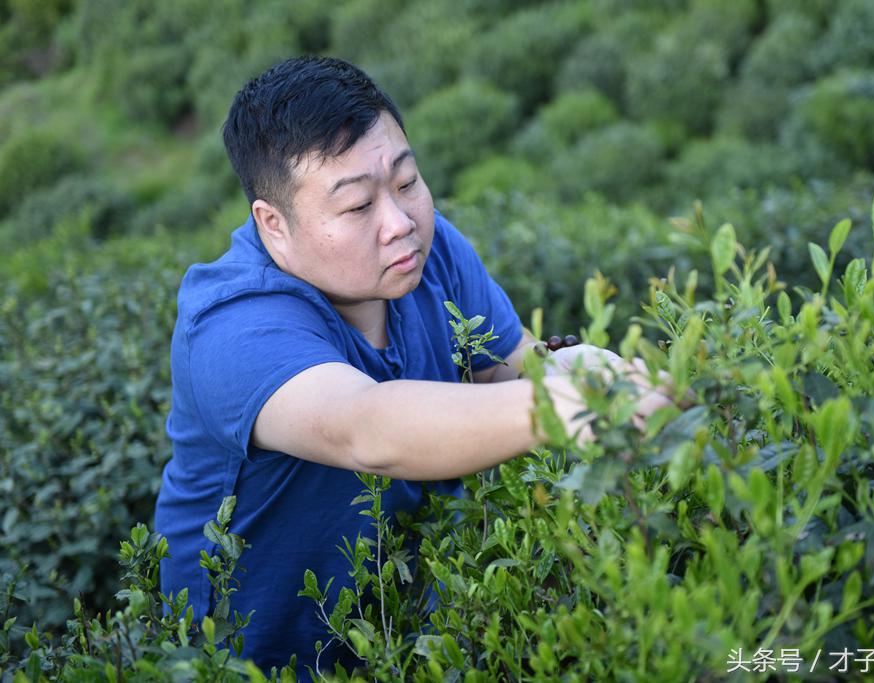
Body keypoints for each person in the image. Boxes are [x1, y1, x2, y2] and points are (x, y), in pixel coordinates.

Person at [154, 55, 668, 676]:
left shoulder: (429, 250)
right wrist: (562, 404)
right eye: (357, 207)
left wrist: (566, 366)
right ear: (274, 225)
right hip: (254, 661)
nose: (401, 224)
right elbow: (366, 427)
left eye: (407, 182)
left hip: (414, 637)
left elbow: (506, 365)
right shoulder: (231, 324)